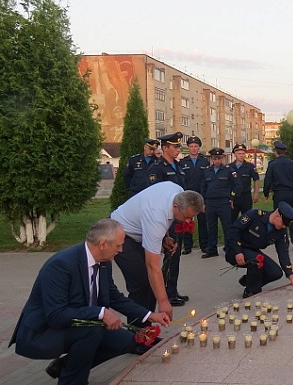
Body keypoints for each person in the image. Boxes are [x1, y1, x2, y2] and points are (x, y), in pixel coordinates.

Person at [9, 218, 170, 384]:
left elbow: (114, 297)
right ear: (103, 244)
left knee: (127, 340)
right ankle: (72, 381)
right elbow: (56, 315)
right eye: (118, 245)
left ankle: (66, 366)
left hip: (80, 324)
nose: (121, 250)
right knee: (91, 332)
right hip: (45, 330)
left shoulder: (104, 263)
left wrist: (150, 315)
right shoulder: (61, 265)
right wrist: (100, 313)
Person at [110, 182, 204, 321]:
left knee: (151, 284)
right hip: (120, 234)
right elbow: (152, 267)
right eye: (186, 217)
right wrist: (164, 301)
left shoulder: (178, 191)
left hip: (141, 230)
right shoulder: (156, 217)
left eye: (192, 217)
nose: (188, 221)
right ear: (175, 206)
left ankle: (147, 328)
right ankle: (137, 330)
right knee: (141, 284)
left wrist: (165, 237)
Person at [224, 202, 293, 297]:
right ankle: (251, 292)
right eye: (283, 224)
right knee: (257, 259)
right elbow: (234, 231)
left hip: (253, 252)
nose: (283, 227)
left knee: (276, 273)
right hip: (235, 250)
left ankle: (249, 280)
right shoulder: (254, 215)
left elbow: (283, 252)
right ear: (277, 217)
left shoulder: (280, 231)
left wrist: (290, 274)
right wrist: (237, 252)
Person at [147, 132, 190, 307]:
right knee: (169, 255)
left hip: (177, 217)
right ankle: (165, 293)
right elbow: (156, 196)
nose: (178, 149)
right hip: (165, 218)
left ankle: (172, 290)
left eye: (179, 146)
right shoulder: (157, 168)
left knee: (175, 255)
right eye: (175, 146)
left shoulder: (178, 166)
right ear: (165, 148)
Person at [201, 148, 241, 258]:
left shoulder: (229, 170)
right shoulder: (207, 171)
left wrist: (232, 198)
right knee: (211, 227)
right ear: (211, 159)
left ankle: (229, 249)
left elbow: (237, 185)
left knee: (227, 227)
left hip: (223, 202)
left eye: (219, 158)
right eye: (214, 159)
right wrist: (203, 202)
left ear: (222, 158)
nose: (217, 161)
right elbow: (203, 187)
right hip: (210, 203)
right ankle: (212, 249)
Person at [263, 141, 293, 251]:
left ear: (276, 152)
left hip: (279, 194)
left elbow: (268, 180)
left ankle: (283, 240)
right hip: (292, 194)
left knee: (280, 217)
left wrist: (266, 193)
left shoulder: (273, 164)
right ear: (285, 152)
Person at [179, 135, 211, 255]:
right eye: (191, 146)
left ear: (199, 147)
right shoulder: (183, 162)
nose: (193, 148)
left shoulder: (204, 161)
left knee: (202, 221)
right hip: (187, 196)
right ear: (188, 147)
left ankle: (204, 245)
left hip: (201, 195)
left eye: (196, 146)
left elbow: (207, 179)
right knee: (187, 220)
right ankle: (187, 246)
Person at [231, 143, 260, 218]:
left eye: (243, 153)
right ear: (235, 154)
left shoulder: (250, 166)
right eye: (239, 153)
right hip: (233, 197)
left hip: (246, 196)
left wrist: (256, 194)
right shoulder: (230, 167)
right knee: (232, 218)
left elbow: (256, 179)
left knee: (246, 218)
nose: (241, 155)